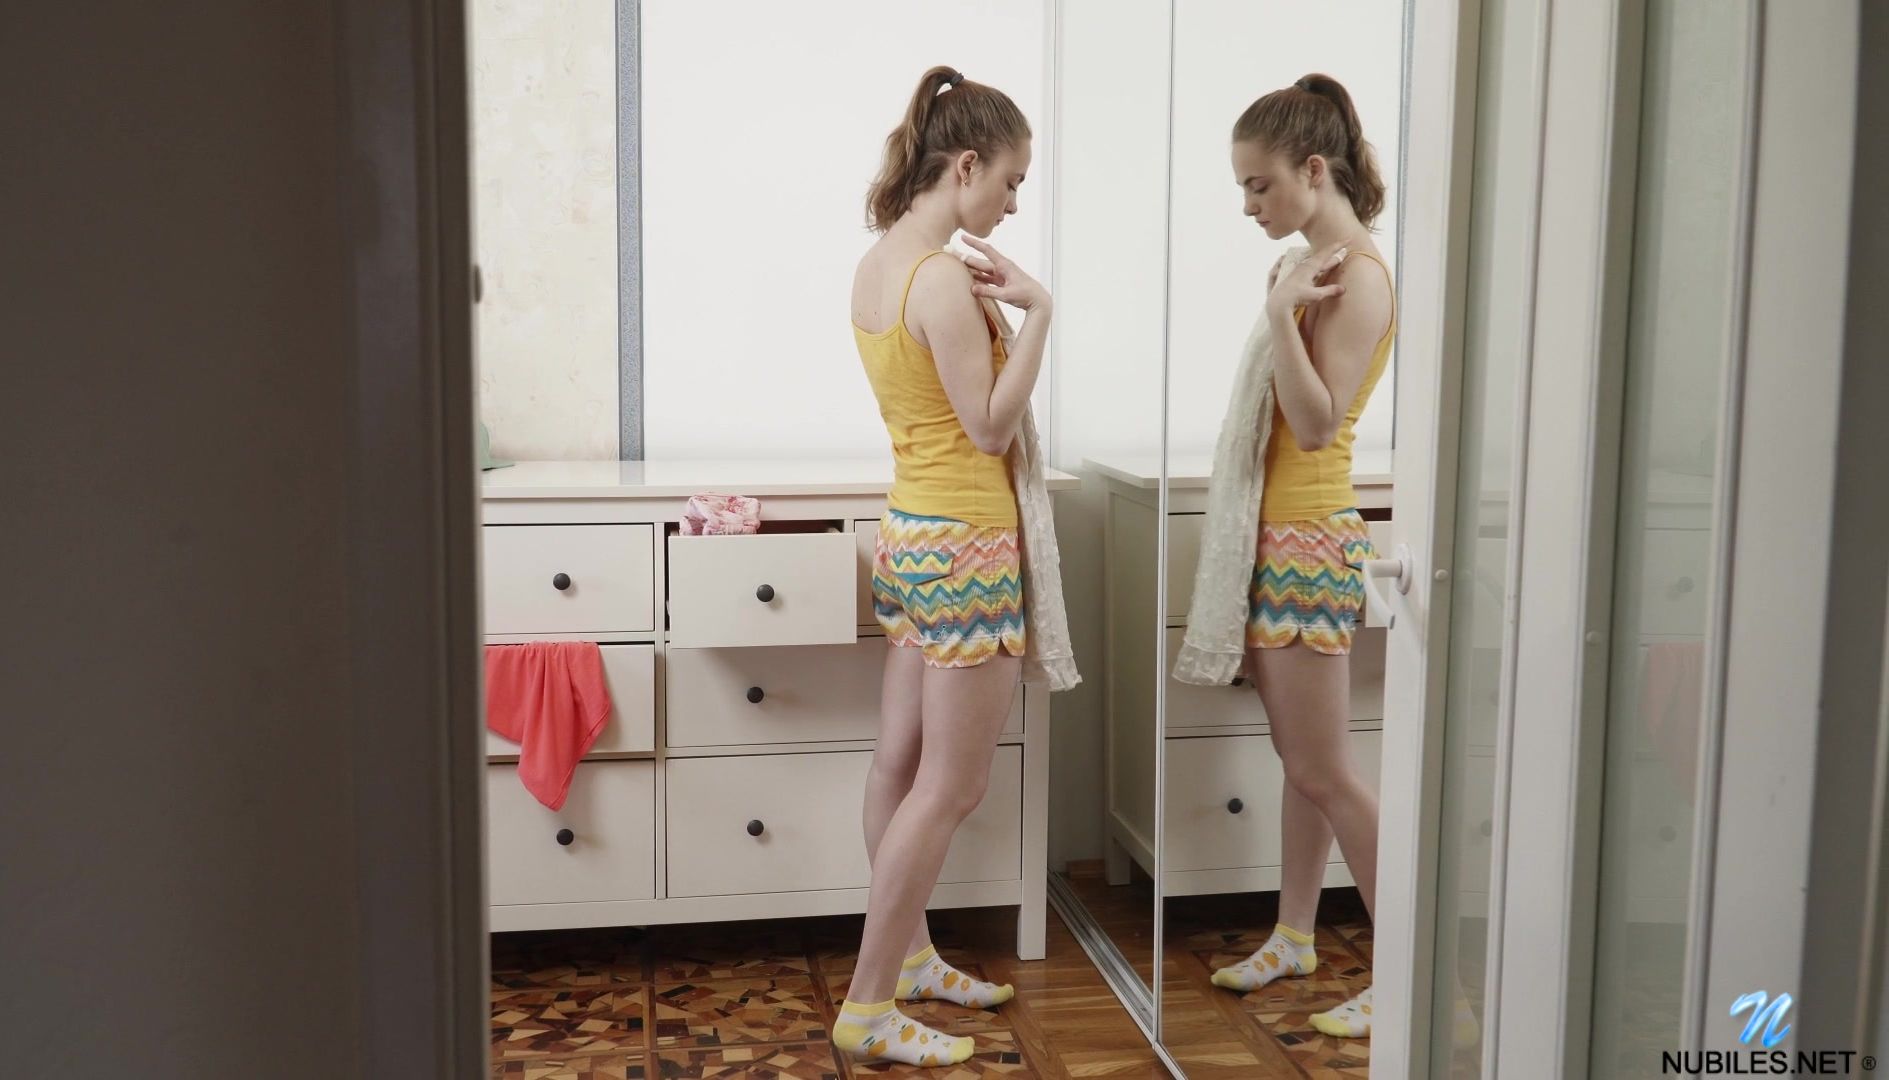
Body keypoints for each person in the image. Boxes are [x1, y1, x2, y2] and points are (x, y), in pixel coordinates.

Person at [835, 65, 1051, 1068]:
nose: (1012, 203)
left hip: (914, 533)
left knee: (898, 764)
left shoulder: (879, 264)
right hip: (967, 546)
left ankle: (912, 959)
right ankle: (869, 1002)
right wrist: (1039, 314)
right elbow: (990, 426)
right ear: (964, 166)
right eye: (1009, 180)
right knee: (950, 786)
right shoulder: (939, 281)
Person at [1203, 73, 1396, 1042]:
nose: (1248, 206)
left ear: (1312, 170)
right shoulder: (1313, 265)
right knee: (1302, 762)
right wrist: (1282, 303)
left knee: (1325, 770)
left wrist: (1281, 315)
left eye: (1258, 184)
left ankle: (1407, 970)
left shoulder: (1357, 276)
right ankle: (1292, 935)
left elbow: (1316, 427)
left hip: (1308, 539)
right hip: (1281, 536)